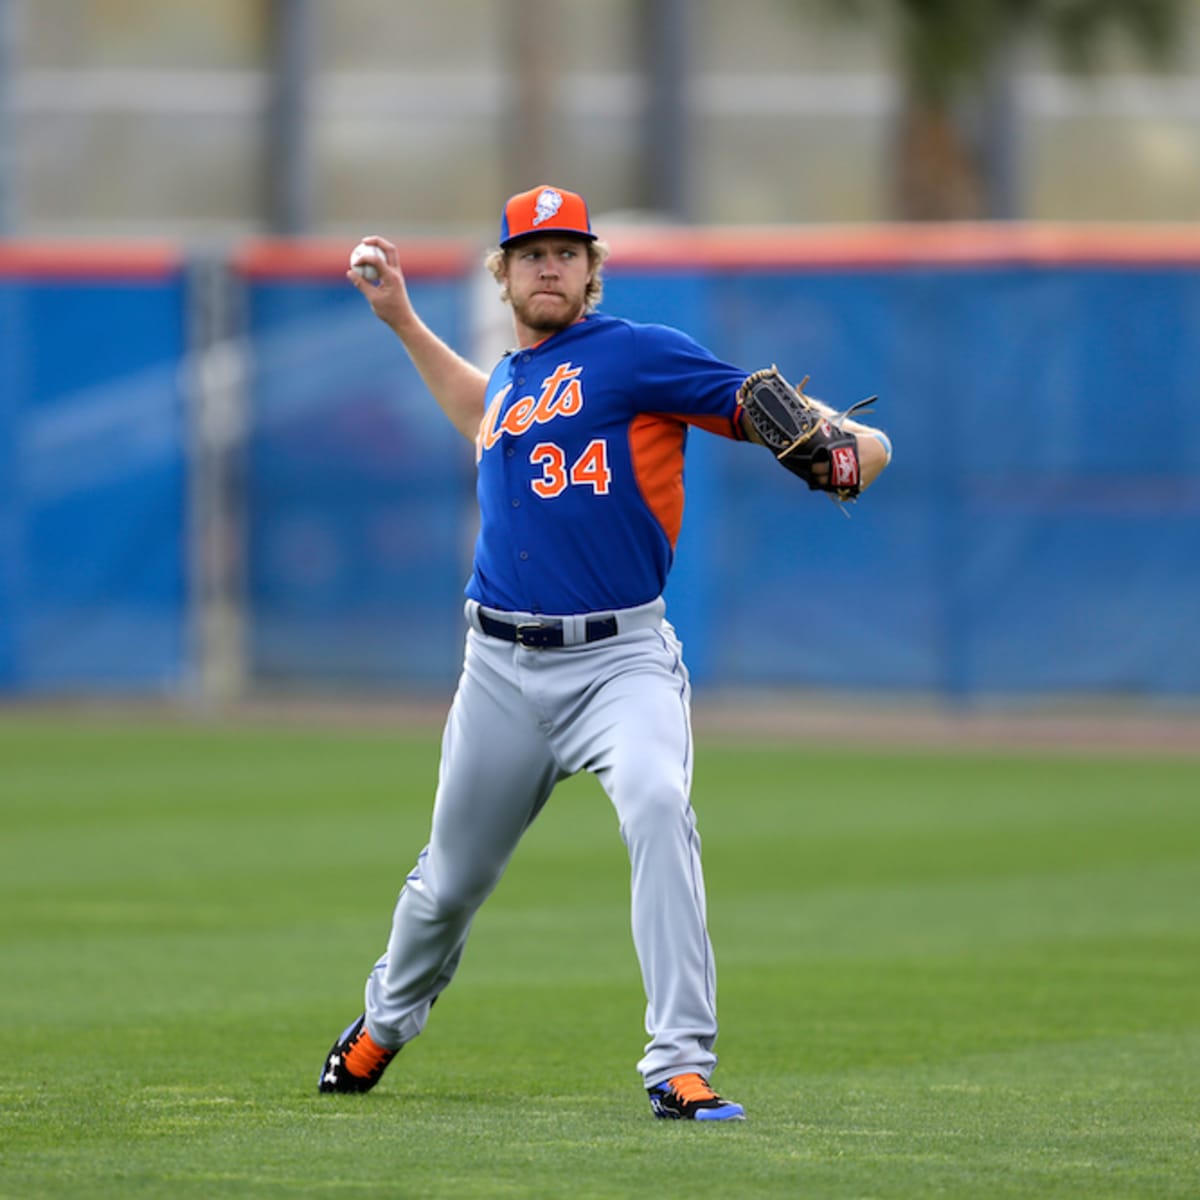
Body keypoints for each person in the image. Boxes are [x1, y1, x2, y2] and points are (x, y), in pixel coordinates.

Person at [317, 184, 892, 1120]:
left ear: (591, 271)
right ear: (503, 275)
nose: (551, 264)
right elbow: (479, 413)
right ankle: (383, 1023)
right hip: (499, 669)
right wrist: (404, 322)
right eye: (532, 252)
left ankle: (679, 1064)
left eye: (568, 251)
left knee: (660, 803)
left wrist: (854, 439)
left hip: (620, 664)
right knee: (447, 881)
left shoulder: (633, 353)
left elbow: (745, 397)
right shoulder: (512, 378)